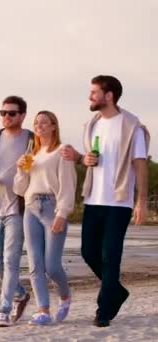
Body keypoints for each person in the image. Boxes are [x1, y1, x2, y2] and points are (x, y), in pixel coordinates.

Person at [60, 75, 150, 327]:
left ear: (109, 95)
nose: (90, 97)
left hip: (119, 201)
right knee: (88, 252)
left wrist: (141, 201)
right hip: (93, 199)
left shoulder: (132, 125)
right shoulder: (91, 125)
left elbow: (140, 164)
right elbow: (91, 159)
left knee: (111, 256)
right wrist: (81, 158)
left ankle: (104, 311)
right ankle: (117, 292)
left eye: (94, 92)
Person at [13, 111, 76, 325]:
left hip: (51, 207)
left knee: (52, 265)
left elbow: (68, 185)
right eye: (36, 123)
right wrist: (20, 170)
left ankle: (65, 295)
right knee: (34, 263)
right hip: (30, 207)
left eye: (44, 123)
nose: (39, 126)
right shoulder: (33, 154)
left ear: (53, 127)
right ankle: (43, 310)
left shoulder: (62, 152)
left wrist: (62, 213)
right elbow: (20, 189)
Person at [0, 96, 33, 327]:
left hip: (19, 209)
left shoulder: (32, 139)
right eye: (3, 113)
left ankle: (3, 310)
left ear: (22, 115)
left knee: (11, 260)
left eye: (11, 113)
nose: (6, 117)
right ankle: (21, 293)